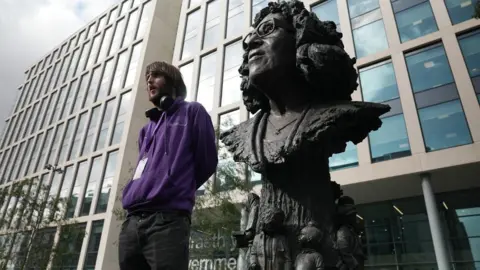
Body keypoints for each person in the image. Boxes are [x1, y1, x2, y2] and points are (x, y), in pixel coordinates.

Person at [220, 1, 389, 268]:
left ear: (300, 38)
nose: (252, 41)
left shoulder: (335, 116)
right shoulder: (243, 134)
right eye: (249, 38)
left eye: (267, 29)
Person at [119, 61, 218, 270]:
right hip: (132, 222)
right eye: (148, 78)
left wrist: (174, 185)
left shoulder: (193, 112)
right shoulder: (146, 131)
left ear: (173, 82)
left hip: (167, 221)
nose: (149, 80)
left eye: (156, 75)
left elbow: (207, 162)